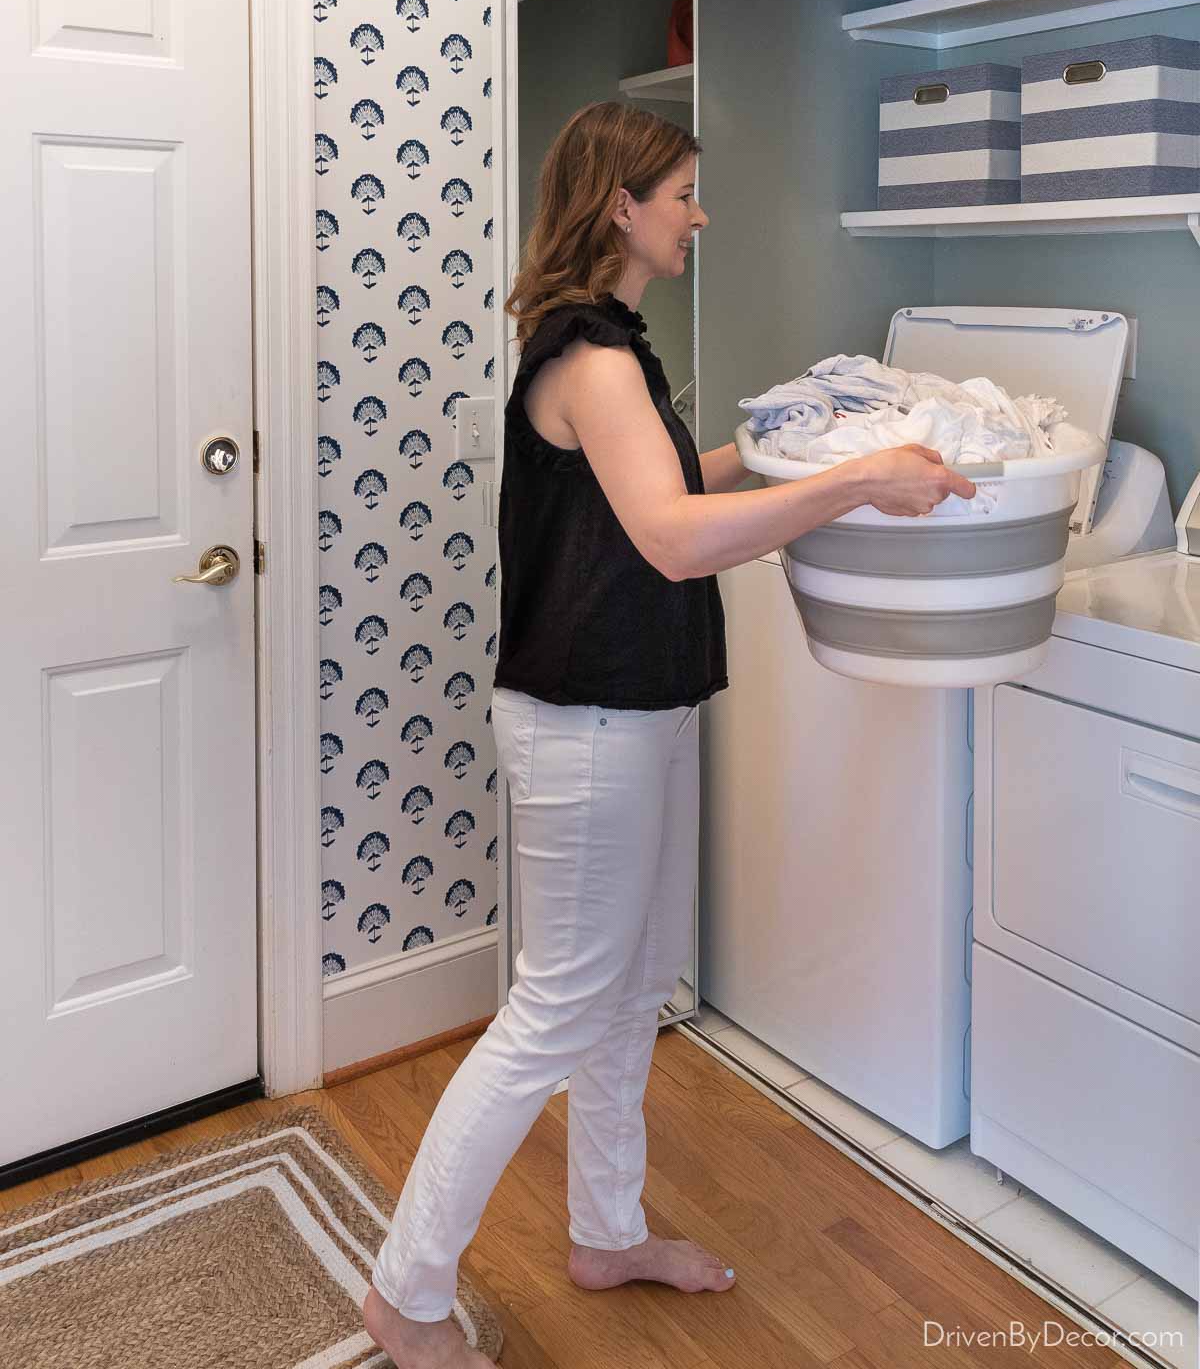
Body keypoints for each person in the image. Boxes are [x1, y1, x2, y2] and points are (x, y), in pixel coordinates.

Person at [364, 102, 976, 1368]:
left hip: (634, 704)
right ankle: (405, 1296)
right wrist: (858, 482)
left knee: (634, 989)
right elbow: (671, 538)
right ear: (622, 206)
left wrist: (777, 450)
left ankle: (604, 1233)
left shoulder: (602, 350)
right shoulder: (589, 356)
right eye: (685, 191)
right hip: (586, 721)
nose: (699, 214)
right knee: (556, 1006)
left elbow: (660, 485)